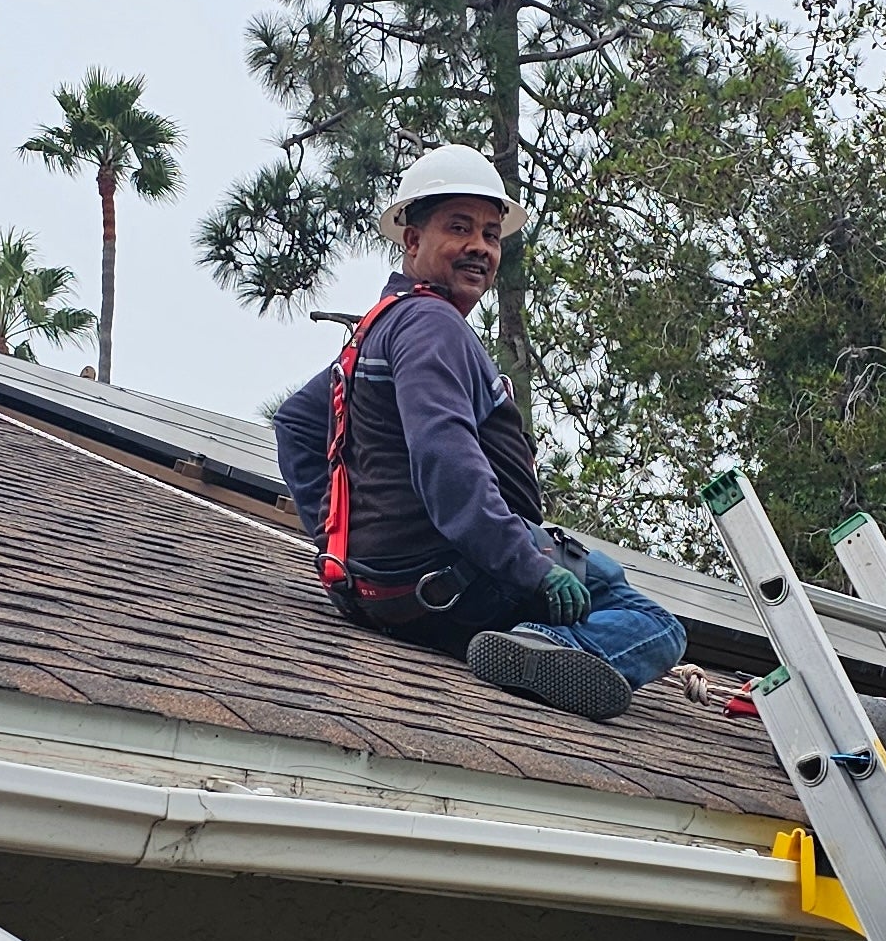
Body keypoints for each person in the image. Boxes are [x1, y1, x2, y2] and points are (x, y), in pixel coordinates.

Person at [271, 144, 686, 723]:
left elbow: (296, 424)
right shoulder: (431, 325)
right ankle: (547, 651)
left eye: (492, 235)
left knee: (587, 569)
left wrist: (336, 545)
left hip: (380, 596)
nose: (480, 248)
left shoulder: (383, 326)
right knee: (654, 626)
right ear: (412, 240)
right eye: (459, 228)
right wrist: (531, 566)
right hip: (454, 584)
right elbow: (447, 461)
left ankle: (524, 641)